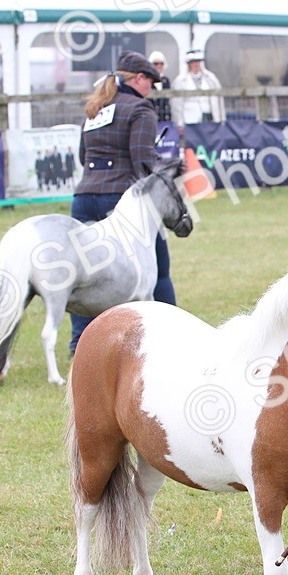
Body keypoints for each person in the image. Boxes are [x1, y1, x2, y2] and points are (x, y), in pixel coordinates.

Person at [68, 50, 177, 355]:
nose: (152, 90)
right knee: (160, 267)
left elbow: (81, 157)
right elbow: (143, 165)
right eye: (150, 83)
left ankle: (79, 344)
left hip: (83, 198)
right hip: (121, 202)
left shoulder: (95, 108)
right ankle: (172, 333)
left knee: (84, 272)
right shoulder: (140, 110)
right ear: (139, 79)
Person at [171, 48, 225, 132]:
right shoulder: (181, 81)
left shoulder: (210, 78)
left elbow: (218, 100)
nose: (197, 64)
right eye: (194, 62)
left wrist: (221, 120)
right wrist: (179, 123)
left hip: (208, 118)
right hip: (190, 121)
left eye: (198, 61)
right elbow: (176, 105)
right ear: (189, 64)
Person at [148, 50, 173, 123]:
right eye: (156, 64)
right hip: (152, 118)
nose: (159, 66)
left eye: (161, 63)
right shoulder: (148, 80)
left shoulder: (166, 80)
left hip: (165, 117)